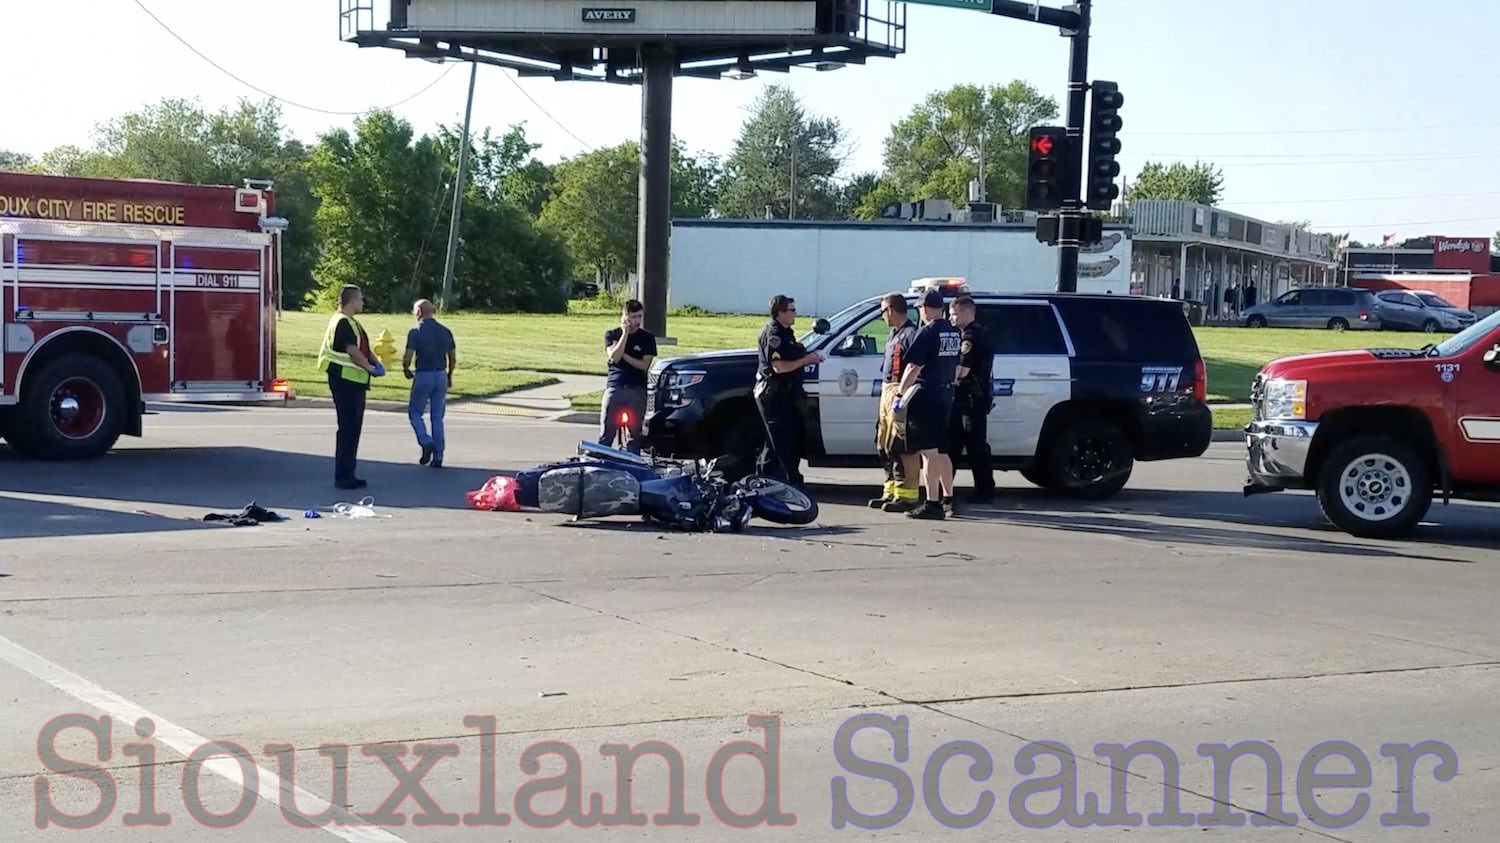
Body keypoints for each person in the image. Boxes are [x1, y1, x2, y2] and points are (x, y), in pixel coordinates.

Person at [893, 288, 961, 520]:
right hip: (946, 393)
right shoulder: (953, 332)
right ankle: (948, 497)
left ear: (924, 308)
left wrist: (900, 394)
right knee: (941, 450)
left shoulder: (927, 332)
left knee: (928, 452)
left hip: (927, 394)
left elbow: (913, 367)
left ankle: (932, 503)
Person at [317, 284, 385, 489]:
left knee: (353, 430)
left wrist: (374, 362)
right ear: (352, 301)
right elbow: (353, 351)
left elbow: (363, 347)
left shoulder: (351, 322)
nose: (363, 303)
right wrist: (369, 367)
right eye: (361, 299)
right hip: (345, 381)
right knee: (347, 430)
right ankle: (343, 477)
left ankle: (350, 474)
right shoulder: (342, 322)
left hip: (354, 382)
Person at [754, 294, 824, 487]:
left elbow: (791, 351)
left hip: (786, 394)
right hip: (775, 395)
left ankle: (767, 480)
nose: (795, 313)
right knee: (783, 441)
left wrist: (800, 351)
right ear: (780, 312)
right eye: (792, 310)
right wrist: (807, 360)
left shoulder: (786, 333)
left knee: (775, 440)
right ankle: (791, 482)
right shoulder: (774, 335)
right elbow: (779, 367)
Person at [868, 293, 921, 513]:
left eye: (882, 312)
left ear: (890, 310)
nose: (882, 317)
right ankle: (890, 490)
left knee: (901, 444)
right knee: (884, 443)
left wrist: (901, 394)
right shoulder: (894, 334)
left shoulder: (911, 334)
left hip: (901, 391)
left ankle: (907, 496)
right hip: (888, 390)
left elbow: (915, 367)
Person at [947, 295, 995, 506]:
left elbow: (962, 371)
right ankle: (945, 489)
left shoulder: (970, 337)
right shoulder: (977, 333)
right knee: (955, 444)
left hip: (969, 398)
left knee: (973, 446)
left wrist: (943, 376)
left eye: (954, 314)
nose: (950, 318)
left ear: (967, 313)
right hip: (971, 398)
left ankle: (984, 491)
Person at [402, 298, 456, 468]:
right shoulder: (445, 331)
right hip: (440, 374)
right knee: (437, 417)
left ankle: (426, 441)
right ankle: (438, 456)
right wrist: (449, 374)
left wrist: (406, 368)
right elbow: (452, 357)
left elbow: (408, 356)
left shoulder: (415, 332)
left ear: (418, 312)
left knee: (415, 412)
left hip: (423, 374)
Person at [600, 299, 657, 453]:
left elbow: (644, 365)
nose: (637, 321)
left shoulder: (647, 338)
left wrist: (624, 355)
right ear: (625, 317)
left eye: (639, 317)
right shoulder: (612, 334)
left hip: (637, 388)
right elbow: (614, 357)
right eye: (633, 317)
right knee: (606, 433)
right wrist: (625, 334)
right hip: (616, 386)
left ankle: (633, 464)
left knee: (635, 436)